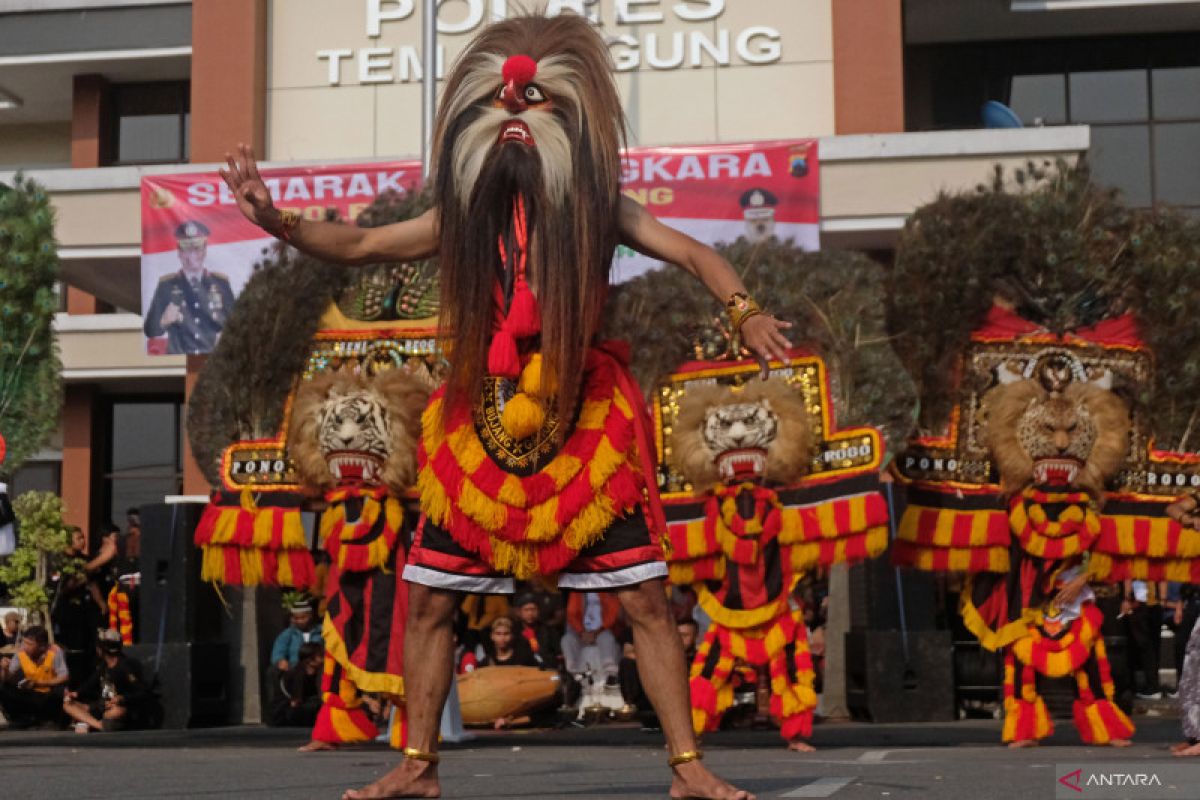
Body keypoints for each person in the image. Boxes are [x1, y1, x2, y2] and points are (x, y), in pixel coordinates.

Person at [221, 13, 787, 799]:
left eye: (536, 106)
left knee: (648, 602)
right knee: (427, 601)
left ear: (567, 121)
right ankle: (417, 767)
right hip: (479, 430)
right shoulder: (455, 219)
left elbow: (693, 250)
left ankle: (689, 769)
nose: (517, 121)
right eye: (504, 109)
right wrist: (271, 217)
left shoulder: (601, 209)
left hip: (581, 425)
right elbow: (354, 246)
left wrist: (744, 309)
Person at [142, 220, 236, 355]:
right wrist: (164, 321)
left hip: (212, 360)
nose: (192, 255)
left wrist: (225, 335)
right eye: (186, 248)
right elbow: (149, 331)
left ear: (205, 250)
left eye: (197, 248)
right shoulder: (166, 285)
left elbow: (236, 323)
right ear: (179, 252)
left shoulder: (221, 283)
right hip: (179, 361)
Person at [62, 629, 156, 732]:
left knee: (114, 712)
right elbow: (90, 683)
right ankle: (98, 725)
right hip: (101, 707)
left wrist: (121, 698)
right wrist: (76, 693)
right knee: (68, 704)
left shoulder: (125, 667)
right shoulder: (103, 666)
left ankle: (88, 722)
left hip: (117, 709)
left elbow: (142, 692)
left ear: (102, 649)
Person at [0, 626, 69, 729]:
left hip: (49, 693)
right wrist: (4, 669)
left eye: (29, 644)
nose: (25, 646)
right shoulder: (21, 652)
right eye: (24, 642)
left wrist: (39, 683)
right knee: (4, 688)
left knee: (61, 691)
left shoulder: (54, 651)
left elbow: (64, 677)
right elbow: (7, 677)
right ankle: (22, 719)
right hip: (30, 692)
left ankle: (50, 720)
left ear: (42, 646)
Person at [270, 641, 323, 728]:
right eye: (320, 655)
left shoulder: (318, 673)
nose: (323, 657)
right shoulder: (298, 674)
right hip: (286, 711)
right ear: (310, 659)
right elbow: (295, 702)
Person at [270, 594, 322, 673]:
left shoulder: (322, 631)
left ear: (310, 616)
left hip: (318, 669)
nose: (300, 621)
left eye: (303, 618)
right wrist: (280, 661)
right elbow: (278, 652)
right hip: (295, 669)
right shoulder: (288, 634)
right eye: (296, 618)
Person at [513, 593, 559, 669]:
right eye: (526, 610)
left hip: (544, 670)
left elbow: (557, 655)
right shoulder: (514, 630)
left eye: (533, 609)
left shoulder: (549, 631)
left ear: (539, 611)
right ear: (519, 612)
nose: (530, 613)